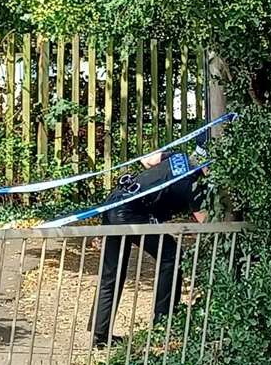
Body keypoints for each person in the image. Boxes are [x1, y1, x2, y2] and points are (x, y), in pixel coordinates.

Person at [89, 132, 210, 347]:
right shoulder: (194, 186)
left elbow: (149, 159)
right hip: (131, 214)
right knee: (172, 256)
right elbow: (210, 226)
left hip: (115, 201)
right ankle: (163, 325)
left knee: (112, 272)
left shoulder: (177, 157)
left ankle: (101, 334)